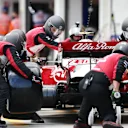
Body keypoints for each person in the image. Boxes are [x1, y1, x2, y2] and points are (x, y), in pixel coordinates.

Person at [73, 42, 128, 128]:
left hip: (85, 82)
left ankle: (81, 121)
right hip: (98, 84)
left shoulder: (108, 57)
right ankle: (108, 120)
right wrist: (116, 90)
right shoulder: (123, 58)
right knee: (106, 104)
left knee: (89, 97)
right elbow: (118, 72)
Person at [0, 29, 42, 127]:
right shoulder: (9, 47)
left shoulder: (3, 44)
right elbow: (17, 64)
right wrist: (32, 76)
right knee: (3, 91)